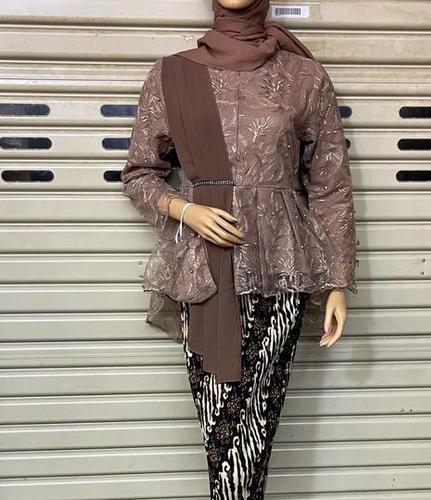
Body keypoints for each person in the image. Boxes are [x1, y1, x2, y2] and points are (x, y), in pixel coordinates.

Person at [121, 0, 357, 497]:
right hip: (205, 273)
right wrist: (186, 209)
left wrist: (337, 280)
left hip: (281, 271)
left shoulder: (304, 77)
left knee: (258, 423)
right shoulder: (171, 75)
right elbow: (140, 174)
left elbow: (330, 185)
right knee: (222, 430)